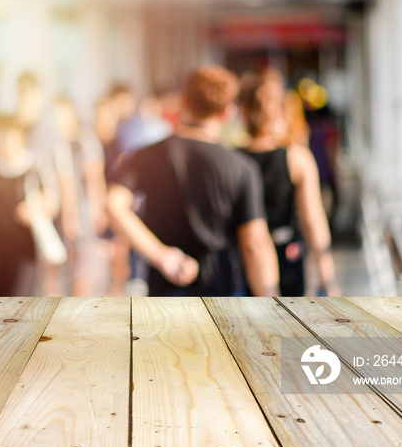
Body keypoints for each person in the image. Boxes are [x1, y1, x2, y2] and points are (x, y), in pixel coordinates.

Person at [107, 66, 279, 297]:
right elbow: (254, 243)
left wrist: (160, 255)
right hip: (221, 293)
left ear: (184, 101)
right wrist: (271, 304)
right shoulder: (241, 167)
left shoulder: (147, 155)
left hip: (165, 293)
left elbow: (113, 205)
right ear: (227, 112)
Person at [239, 72, 341, 297]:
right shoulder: (297, 159)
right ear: (281, 114)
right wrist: (327, 278)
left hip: (241, 261)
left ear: (243, 113)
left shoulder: (232, 159)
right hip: (286, 256)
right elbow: (313, 220)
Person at [0, 115, 58, 297]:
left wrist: (34, 209)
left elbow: (52, 202)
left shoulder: (35, 167)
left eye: (10, 136)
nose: (5, 142)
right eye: (1, 136)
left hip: (22, 248)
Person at [53, 97, 108, 296]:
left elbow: (94, 177)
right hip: (64, 216)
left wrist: (98, 209)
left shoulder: (86, 140)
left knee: (84, 274)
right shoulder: (58, 143)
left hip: (83, 213)